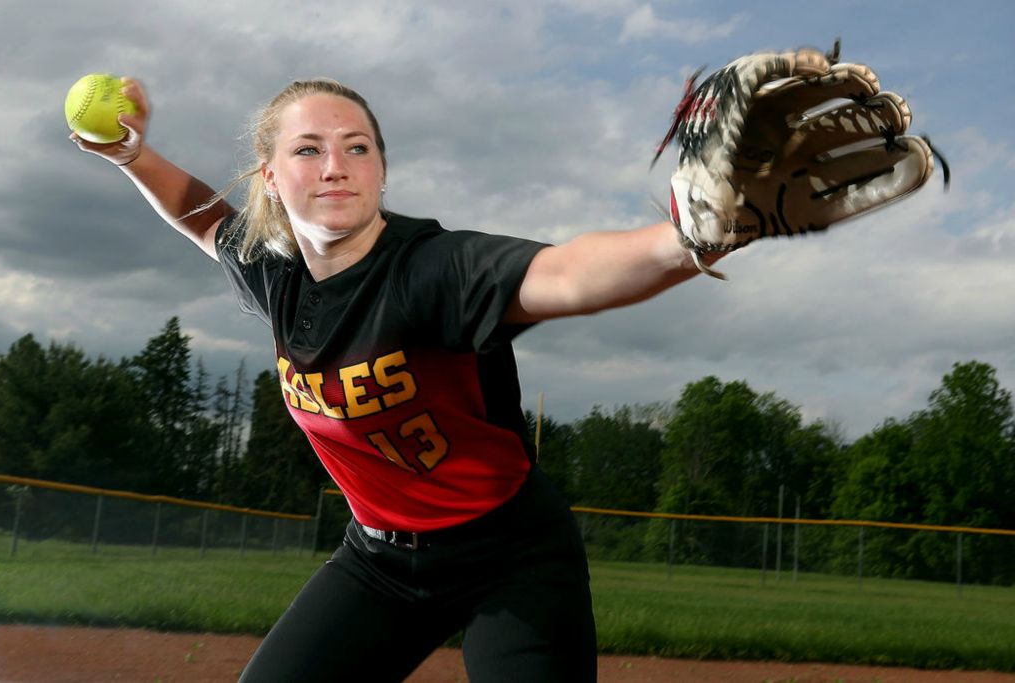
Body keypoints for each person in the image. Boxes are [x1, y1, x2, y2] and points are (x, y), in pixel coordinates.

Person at [71, 77, 723, 682]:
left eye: (358, 147)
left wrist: (687, 237)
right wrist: (132, 157)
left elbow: (568, 274)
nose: (336, 164)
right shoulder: (276, 272)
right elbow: (203, 216)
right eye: (308, 149)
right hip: (377, 562)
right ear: (271, 178)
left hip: (511, 555)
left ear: (381, 169)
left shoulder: (430, 270)